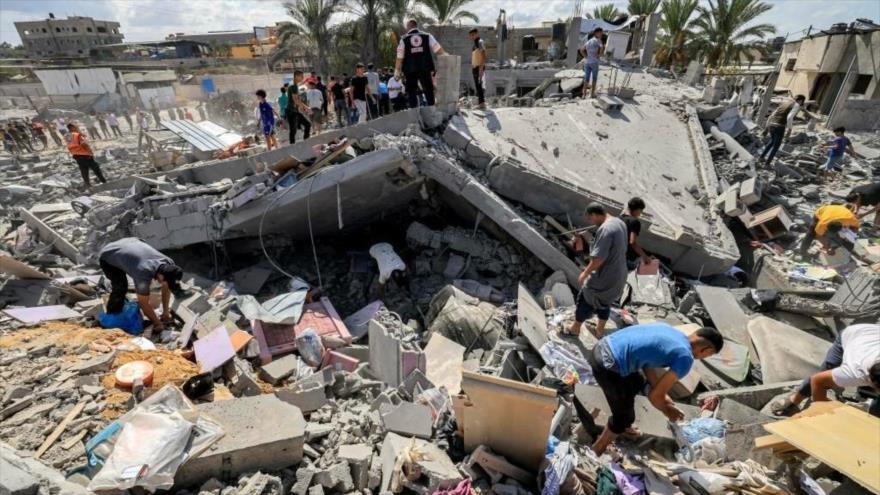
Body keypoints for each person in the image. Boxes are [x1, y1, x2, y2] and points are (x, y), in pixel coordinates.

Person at [588, 323, 724, 455]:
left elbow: (647, 362)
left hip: (600, 348)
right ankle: (597, 449)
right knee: (624, 417)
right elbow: (654, 397)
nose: (703, 358)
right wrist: (667, 410)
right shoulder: (685, 357)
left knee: (637, 381)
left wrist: (662, 394)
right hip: (608, 367)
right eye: (708, 355)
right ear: (706, 350)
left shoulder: (669, 330)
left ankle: (623, 427)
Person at [772, 323, 879, 417]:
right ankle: (795, 398)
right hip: (853, 334)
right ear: (871, 382)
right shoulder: (855, 373)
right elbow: (818, 381)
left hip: (874, 336)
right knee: (826, 370)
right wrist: (821, 409)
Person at [566, 203, 628, 338]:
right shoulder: (618, 222)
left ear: (595, 214)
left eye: (591, 219)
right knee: (604, 302)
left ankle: (575, 328)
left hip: (606, 275)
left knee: (586, 297)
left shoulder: (605, 230)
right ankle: (600, 330)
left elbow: (598, 259)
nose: (591, 222)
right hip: (620, 274)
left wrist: (585, 273)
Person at [98, 237, 184, 331]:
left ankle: (119, 310)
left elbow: (166, 287)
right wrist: (157, 323)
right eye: (168, 283)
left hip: (131, 243)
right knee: (121, 287)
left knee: (130, 277)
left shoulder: (169, 263)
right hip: (109, 254)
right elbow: (144, 303)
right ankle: (111, 318)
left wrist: (166, 312)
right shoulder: (142, 273)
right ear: (161, 276)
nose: (167, 285)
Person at [395, 20, 445, 109]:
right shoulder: (427, 36)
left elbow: (399, 57)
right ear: (416, 26)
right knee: (429, 90)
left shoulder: (404, 39)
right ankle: (432, 111)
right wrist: (447, 55)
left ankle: (415, 114)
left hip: (410, 70)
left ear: (408, 27)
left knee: (411, 92)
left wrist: (397, 71)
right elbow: (438, 49)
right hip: (425, 68)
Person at [759, 94, 806, 165]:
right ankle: (767, 164)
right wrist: (789, 129)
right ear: (801, 101)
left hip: (772, 125)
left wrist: (766, 127)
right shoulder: (796, 105)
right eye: (801, 103)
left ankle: (761, 157)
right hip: (779, 126)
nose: (801, 104)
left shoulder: (784, 103)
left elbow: (771, 115)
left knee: (772, 142)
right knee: (776, 146)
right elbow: (790, 117)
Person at [66, 123, 107, 189]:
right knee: (96, 168)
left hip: (76, 155)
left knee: (84, 170)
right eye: (75, 127)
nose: (77, 128)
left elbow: (70, 145)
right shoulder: (77, 135)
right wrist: (90, 152)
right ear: (72, 128)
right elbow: (84, 144)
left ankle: (88, 184)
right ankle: (104, 181)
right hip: (85, 155)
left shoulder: (67, 136)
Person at [620, 197, 652, 271]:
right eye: (641, 211)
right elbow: (632, 242)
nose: (640, 213)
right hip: (625, 258)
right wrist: (645, 257)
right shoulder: (635, 222)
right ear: (637, 210)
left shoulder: (619, 218)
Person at [286, 71, 312, 143]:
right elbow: (296, 100)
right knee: (293, 130)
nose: (303, 78)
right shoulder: (293, 85)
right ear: (296, 76)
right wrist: (306, 108)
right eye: (301, 76)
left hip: (294, 111)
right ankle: (293, 145)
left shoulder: (294, 85)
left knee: (307, 125)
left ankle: (306, 142)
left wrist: (303, 107)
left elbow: (298, 100)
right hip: (291, 111)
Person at [580, 28, 604, 99]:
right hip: (594, 62)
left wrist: (586, 57)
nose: (601, 34)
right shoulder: (598, 40)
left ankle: (583, 94)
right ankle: (592, 94)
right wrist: (599, 55)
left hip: (587, 62)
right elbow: (602, 47)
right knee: (594, 79)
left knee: (586, 79)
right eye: (600, 33)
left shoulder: (589, 41)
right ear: (596, 33)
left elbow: (581, 50)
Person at [469, 28, 487, 108]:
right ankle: (481, 103)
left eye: (473, 35)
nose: (472, 37)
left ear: (477, 33)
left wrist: (481, 68)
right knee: (477, 85)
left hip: (479, 67)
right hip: (475, 67)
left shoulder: (480, 42)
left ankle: (482, 103)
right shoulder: (475, 43)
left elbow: (483, 55)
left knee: (479, 85)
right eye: (470, 35)